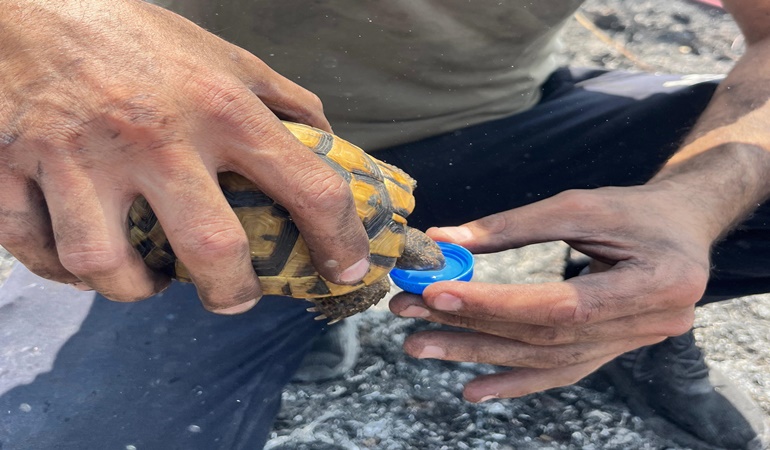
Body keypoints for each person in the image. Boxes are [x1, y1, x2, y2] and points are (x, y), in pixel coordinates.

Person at [0, 0, 768, 448]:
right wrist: (24, 29)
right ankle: (301, 316)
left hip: (494, 122)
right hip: (168, 161)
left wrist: (691, 206)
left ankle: (641, 321)